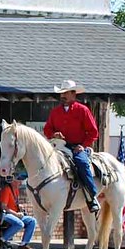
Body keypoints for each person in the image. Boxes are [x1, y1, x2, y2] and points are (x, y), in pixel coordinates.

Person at [43, 79, 100, 212]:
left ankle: (92, 197)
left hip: (77, 147)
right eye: (61, 93)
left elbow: (93, 132)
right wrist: (54, 134)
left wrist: (83, 146)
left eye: (66, 93)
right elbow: (47, 130)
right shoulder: (55, 112)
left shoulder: (83, 110)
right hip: (59, 146)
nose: (62, 96)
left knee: (82, 163)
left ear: (73, 94)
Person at [0, 175, 37, 249]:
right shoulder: (6, 189)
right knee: (20, 224)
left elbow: (14, 203)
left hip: (14, 213)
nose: (20, 182)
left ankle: (23, 244)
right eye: (19, 180)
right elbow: (3, 207)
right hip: (5, 214)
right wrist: (16, 214)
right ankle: (2, 240)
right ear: (12, 181)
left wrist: (20, 207)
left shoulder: (16, 190)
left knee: (32, 221)